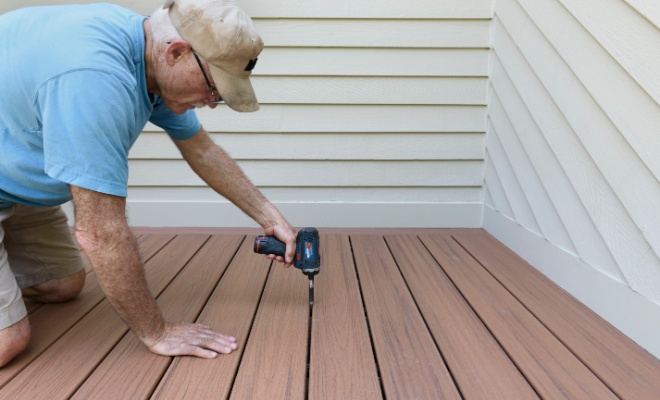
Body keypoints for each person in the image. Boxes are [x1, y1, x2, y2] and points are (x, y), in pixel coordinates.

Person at [0, 0, 297, 367]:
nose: (213, 102)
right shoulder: (97, 79)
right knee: (8, 341)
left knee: (61, 285)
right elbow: (99, 233)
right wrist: (157, 331)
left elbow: (202, 150)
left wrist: (270, 216)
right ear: (177, 53)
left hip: (12, 176)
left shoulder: (145, 50)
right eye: (214, 88)